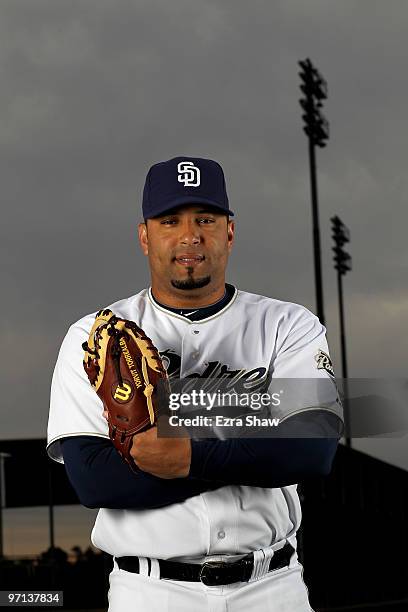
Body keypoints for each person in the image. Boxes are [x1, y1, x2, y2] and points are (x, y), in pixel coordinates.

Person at [47, 156, 343, 612]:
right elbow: (96, 481)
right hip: (149, 592)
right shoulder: (93, 336)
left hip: (271, 588)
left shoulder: (289, 324)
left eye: (205, 218)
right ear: (145, 236)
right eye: (171, 220)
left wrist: (184, 454)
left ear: (230, 231)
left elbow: (310, 451)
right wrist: (255, 436)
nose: (190, 236)